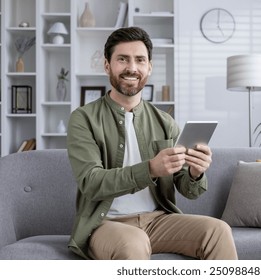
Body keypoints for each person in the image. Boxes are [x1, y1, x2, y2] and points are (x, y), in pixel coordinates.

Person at [66, 26, 238, 260]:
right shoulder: (83, 118)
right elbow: (91, 182)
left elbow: (189, 190)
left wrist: (196, 173)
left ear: (149, 67)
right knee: (133, 244)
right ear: (107, 65)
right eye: (122, 59)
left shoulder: (165, 121)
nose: (132, 68)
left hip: (158, 220)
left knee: (218, 231)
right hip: (106, 223)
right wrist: (150, 169)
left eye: (140, 60)